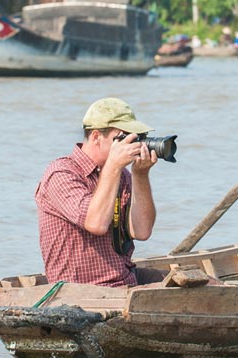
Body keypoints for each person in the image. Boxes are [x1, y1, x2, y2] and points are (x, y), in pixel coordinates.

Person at [34, 97, 166, 287]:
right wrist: (113, 165)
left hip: (126, 280)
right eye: (122, 138)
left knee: (207, 284)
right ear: (96, 137)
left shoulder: (123, 175)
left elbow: (142, 231)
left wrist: (140, 175)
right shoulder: (61, 173)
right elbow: (95, 223)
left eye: (134, 138)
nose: (130, 145)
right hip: (82, 291)